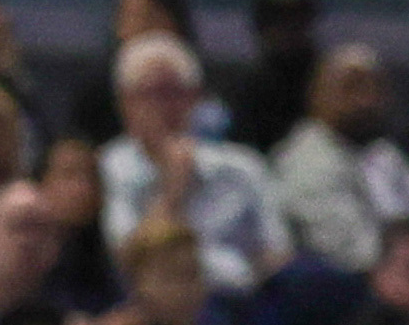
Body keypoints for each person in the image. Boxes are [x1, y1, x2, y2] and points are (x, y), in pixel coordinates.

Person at [99, 36, 291, 291]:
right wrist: (172, 189)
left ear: (195, 98)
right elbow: (129, 261)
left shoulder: (243, 166)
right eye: (149, 93)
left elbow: (278, 251)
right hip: (160, 302)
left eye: (173, 92)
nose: (162, 106)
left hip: (245, 301)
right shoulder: (111, 166)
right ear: (125, 103)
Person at [277, 49, 409, 270]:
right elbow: (350, 253)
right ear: (316, 95)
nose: (367, 99)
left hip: (407, 277)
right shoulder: (305, 160)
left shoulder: (385, 155)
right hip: (344, 288)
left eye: (376, 88)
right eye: (351, 87)